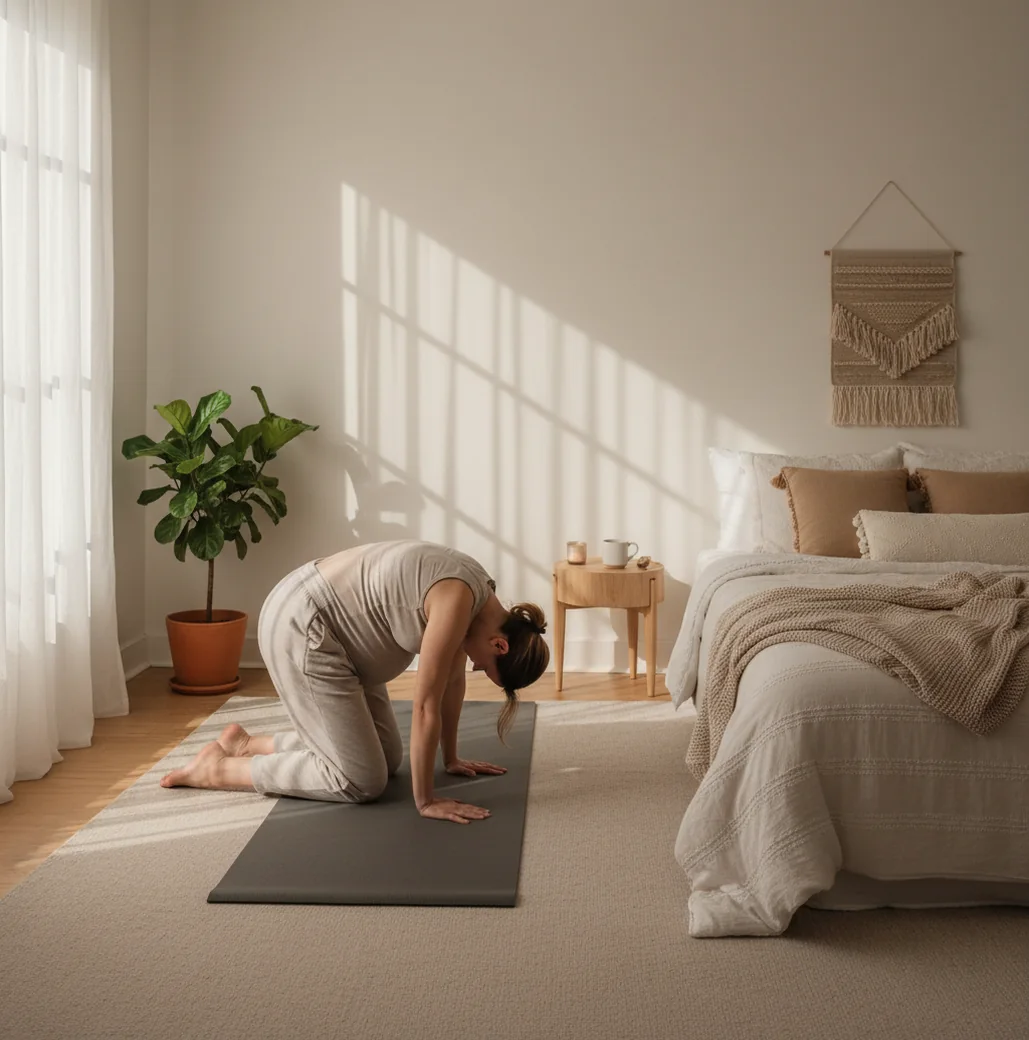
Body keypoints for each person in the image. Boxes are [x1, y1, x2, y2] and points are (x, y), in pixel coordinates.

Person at [160, 541, 549, 824]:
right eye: (486, 667)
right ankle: (215, 770)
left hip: (337, 641)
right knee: (360, 781)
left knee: (387, 756)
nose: (475, 668)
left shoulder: (479, 596)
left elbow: (451, 683)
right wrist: (426, 801)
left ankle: (246, 744)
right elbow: (425, 705)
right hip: (304, 630)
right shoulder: (457, 601)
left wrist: (450, 758)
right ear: (500, 644)